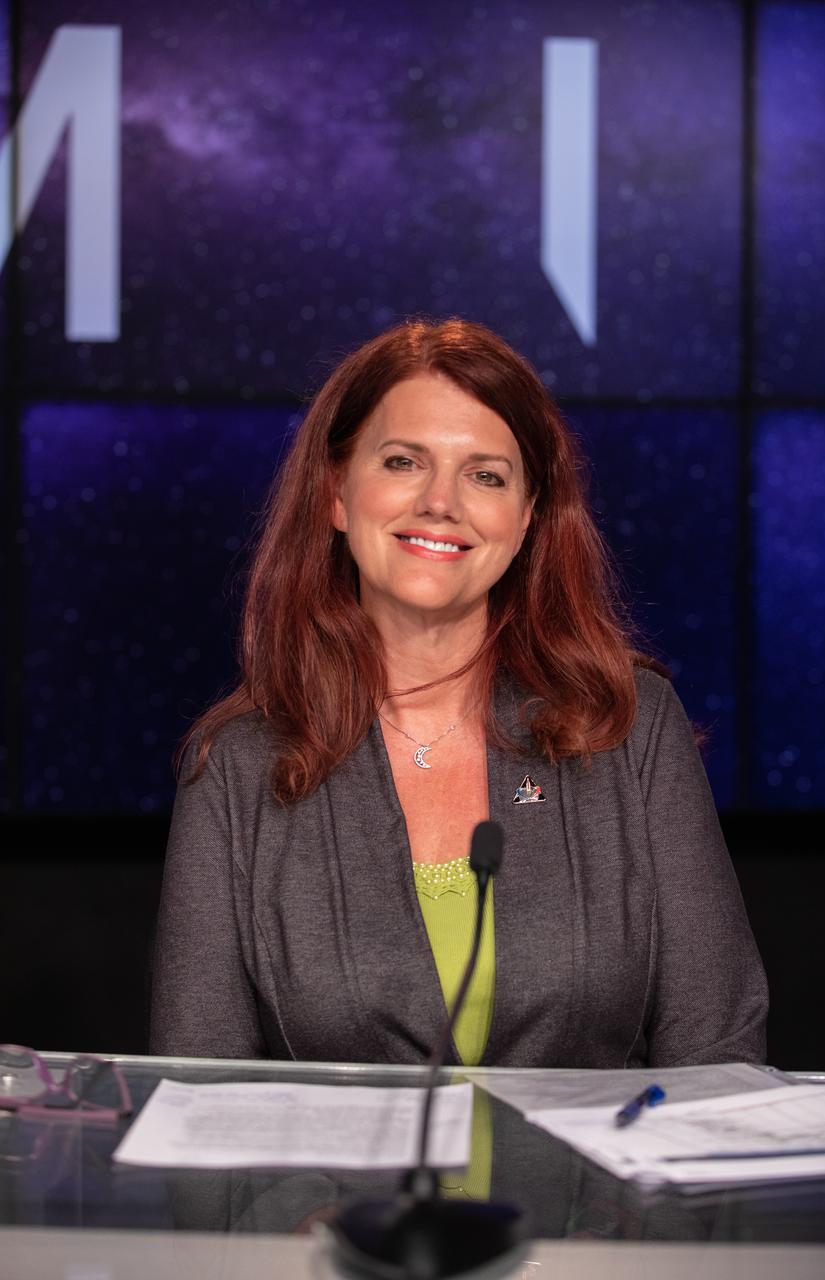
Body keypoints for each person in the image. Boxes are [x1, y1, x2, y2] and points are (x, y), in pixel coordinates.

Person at [150, 318, 767, 1068]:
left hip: (589, 1190)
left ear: (527, 518)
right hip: (331, 1193)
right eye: (404, 461)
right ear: (336, 495)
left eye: (485, 475)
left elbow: (717, 1048)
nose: (441, 501)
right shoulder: (235, 767)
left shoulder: (629, 725)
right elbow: (199, 1097)